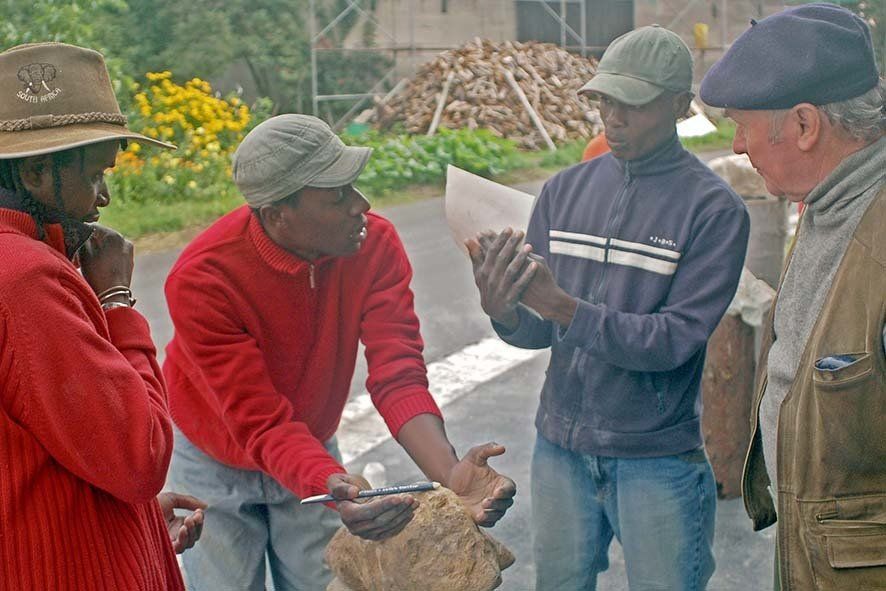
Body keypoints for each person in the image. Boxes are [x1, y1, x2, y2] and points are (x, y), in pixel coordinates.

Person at [162, 113, 517, 590]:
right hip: (212, 457)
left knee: (320, 583)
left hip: (310, 445)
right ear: (277, 214)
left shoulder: (375, 244)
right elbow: (261, 421)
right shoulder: (203, 279)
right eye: (338, 196)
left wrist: (449, 473)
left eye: (354, 186)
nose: (362, 205)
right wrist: (330, 485)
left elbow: (398, 375)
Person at [467, 25, 750, 590]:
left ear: (676, 106)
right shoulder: (563, 191)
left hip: (658, 458)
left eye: (632, 105)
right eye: (604, 101)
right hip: (560, 452)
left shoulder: (714, 211)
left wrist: (565, 308)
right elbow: (541, 330)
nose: (612, 118)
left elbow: (673, 342)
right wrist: (506, 311)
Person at [0, 42, 204, 591]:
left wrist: (130, 519)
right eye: (96, 174)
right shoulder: (27, 278)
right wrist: (115, 299)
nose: (106, 196)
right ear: (40, 172)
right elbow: (140, 455)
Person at [700, 4, 886, 589]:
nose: (736, 145)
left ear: (805, 126)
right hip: (818, 558)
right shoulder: (829, 201)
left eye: (743, 124)